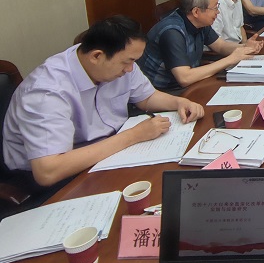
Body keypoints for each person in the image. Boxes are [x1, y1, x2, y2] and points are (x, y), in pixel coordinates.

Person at [3, 16, 205, 190]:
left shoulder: (117, 62)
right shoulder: (47, 92)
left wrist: (179, 101)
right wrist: (134, 135)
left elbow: (146, 97)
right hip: (53, 179)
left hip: (106, 152)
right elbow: (48, 171)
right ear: (96, 56)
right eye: (127, 62)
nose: (130, 69)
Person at [138, 0, 263, 93]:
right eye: (215, 8)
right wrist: (231, 59)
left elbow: (220, 46)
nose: (218, 12)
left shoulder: (200, 23)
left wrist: (245, 47)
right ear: (196, 12)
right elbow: (184, 78)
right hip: (164, 92)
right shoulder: (172, 32)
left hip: (190, 84)